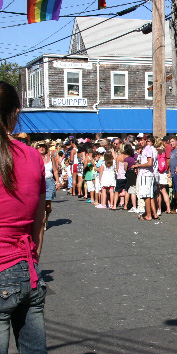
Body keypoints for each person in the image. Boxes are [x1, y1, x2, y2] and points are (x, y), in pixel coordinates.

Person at [0, 81, 48, 354]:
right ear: (16, 113)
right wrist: (33, 257)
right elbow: (39, 221)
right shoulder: (32, 157)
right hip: (26, 269)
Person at [36, 142, 60, 230]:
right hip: (39, 182)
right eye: (39, 146)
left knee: (48, 205)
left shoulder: (51, 158)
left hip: (49, 181)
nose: (41, 148)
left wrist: (58, 181)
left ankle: (46, 217)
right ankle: (41, 222)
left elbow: (55, 171)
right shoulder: (34, 158)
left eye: (43, 146)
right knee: (39, 204)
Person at [133, 134, 156, 220]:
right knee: (147, 195)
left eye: (141, 140)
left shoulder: (148, 149)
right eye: (139, 140)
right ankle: (148, 213)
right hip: (145, 173)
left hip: (146, 174)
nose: (140, 142)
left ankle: (148, 215)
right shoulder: (145, 149)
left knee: (146, 195)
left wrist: (138, 165)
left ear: (146, 139)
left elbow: (150, 163)